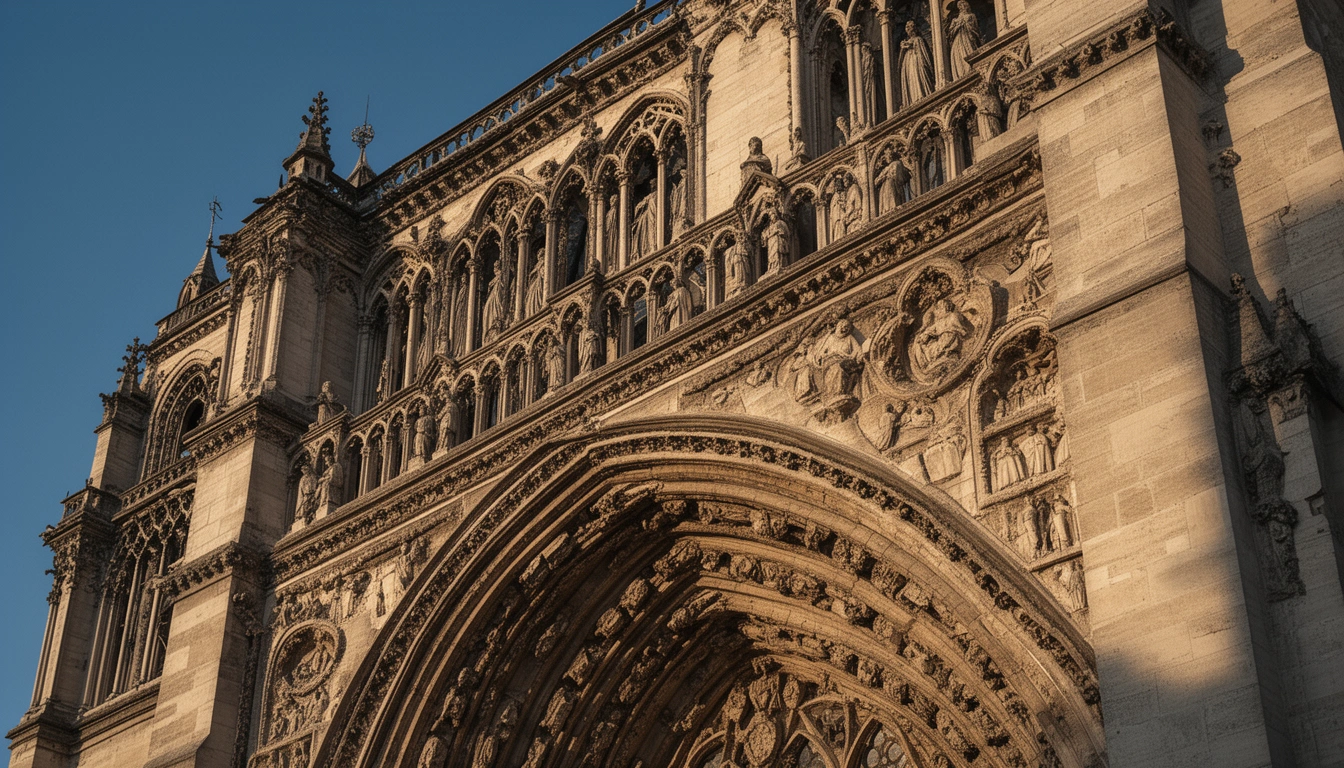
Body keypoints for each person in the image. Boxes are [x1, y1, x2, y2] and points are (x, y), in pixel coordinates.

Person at [899, 20, 935, 106]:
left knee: (918, 74)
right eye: (907, 28)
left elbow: (923, 53)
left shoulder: (918, 39)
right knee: (911, 78)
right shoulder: (906, 42)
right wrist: (903, 49)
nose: (908, 29)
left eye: (909, 27)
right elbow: (899, 62)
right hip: (909, 62)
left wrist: (910, 45)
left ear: (914, 29)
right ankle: (914, 98)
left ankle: (922, 94)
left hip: (917, 61)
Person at [947, 0, 982, 80]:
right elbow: (950, 33)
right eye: (960, 5)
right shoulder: (955, 20)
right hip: (958, 40)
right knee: (960, 57)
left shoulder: (971, 16)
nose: (963, 7)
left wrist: (966, 24)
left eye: (964, 4)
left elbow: (975, 29)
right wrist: (958, 26)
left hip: (968, 38)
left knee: (968, 52)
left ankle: (970, 70)